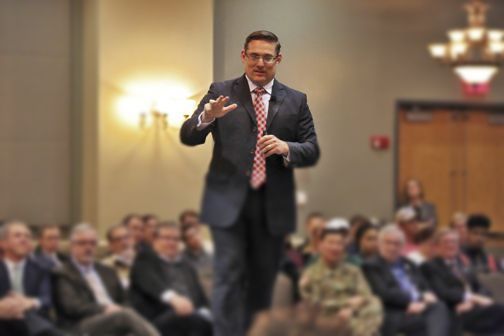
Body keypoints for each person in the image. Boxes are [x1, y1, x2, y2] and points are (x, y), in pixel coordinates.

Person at [180, 30, 320, 336]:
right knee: (228, 276)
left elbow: (311, 149)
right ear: (244, 56)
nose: (260, 62)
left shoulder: (296, 100)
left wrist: (288, 148)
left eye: (267, 57)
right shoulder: (220, 91)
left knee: (262, 281)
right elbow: (188, 135)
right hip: (228, 202)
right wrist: (206, 119)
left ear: (277, 60)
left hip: (272, 205)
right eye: (253, 55)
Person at [53, 223, 159, 336]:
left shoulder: (107, 271)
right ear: (72, 246)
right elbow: (73, 307)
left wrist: (118, 310)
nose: (88, 248)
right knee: (125, 316)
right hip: (81, 323)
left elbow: (124, 300)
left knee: (131, 322)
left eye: (92, 243)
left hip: (115, 318)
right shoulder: (63, 272)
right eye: (82, 243)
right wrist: (105, 309)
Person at [363, 225, 450, 336]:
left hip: (419, 308)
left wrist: (427, 293)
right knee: (433, 320)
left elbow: (423, 285)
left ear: (402, 246)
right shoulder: (371, 266)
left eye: (397, 244)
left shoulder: (408, 263)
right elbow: (383, 293)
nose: (392, 247)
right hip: (396, 311)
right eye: (388, 242)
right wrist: (415, 300)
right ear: (379, 244)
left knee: (440, 307)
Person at [129, 222, 212, 336]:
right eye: (167, 238)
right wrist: (173, 298)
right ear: (155, 239)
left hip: (193, 316)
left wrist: (208, 312)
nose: (172, 243)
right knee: (186, 318)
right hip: (158, 317)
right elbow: (151, 282)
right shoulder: (145, 258)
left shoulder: (186, 265)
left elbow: (200, 298)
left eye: (176, 239)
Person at [300, 227, 383, 336]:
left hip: (355, 315)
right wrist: (347, 304)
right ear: (321, 245)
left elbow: (365, 295)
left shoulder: (353, 270)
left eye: (339, 244)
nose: (335, 247)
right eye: (330, 243)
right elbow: (314, 305)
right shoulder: (310, 274)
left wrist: (351, 309)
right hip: (327, 319)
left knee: (375, 303)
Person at [422, 229, 504, 335]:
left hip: (475, 308)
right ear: (437, 245)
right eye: (446, 242)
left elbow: (481, 287)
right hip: (456, 312)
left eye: (454, 242)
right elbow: (442, 292)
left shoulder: (462, 264)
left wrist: (478, 299)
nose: (451, 245)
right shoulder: (429, 266)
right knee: (500, 311)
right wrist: (472, 298)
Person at [0, 220, 62, 336]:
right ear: (3, 243)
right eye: (17, 236)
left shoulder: (40, 268)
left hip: (34, 319)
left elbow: (46, 299)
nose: (24, 240)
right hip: (3, 321)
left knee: (28, 316)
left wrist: (30, 302)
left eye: (27, 236)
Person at [181, 224, 214, 298]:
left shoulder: (211, 254)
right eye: (191, 237)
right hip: (195, 296)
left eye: (196, 234)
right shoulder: (182, 259)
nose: (196, 238)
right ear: (186, 242)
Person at [101, 224, 136, 289]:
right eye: (118, 239)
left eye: (127, 237)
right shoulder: (104, 266)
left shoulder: (146, 261)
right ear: (111, 245)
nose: (124, 242)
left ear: (133, 240)